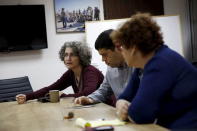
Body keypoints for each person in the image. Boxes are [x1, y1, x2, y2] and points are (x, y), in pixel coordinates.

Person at [110, 13, 197, 129]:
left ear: (133, 48)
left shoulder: (161, 62)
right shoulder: (142, 66)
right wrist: (120, 103)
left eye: (121, 47)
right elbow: (125, 96)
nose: (121, 51)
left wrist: (128, 109)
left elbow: (140, 114)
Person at [16, 41, 104, 104]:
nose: (68, 58)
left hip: (105, 108)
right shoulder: (70, 73)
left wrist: (62, 96)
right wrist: (27, 97)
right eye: (66, 55)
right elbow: (50, 89)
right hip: (89, 108)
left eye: (72, 55)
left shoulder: (90, 71)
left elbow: (87, 93)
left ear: (81, 57)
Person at [74, 29, 133, 106]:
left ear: (118, 48)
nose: (103, 59)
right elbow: (104, 90)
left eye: (105, 55)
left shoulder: (137, 65)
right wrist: (90, 99)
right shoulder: (111, 69)